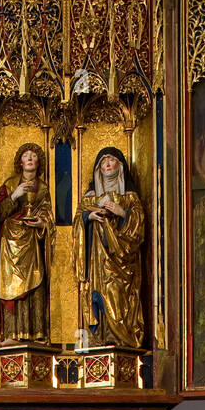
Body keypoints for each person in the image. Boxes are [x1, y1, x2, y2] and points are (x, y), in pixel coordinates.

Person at [0, 143, 54, 344]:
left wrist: (41, 223)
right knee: (11, 287)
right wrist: (14, 195)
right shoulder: (9, 184)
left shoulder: (43, 188)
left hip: (32, 241)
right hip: (9, 242)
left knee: (35, 283)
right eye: (26, 155)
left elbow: (49, 216)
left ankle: (37, 333)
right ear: (20, 162)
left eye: (34, 155)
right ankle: (10, 334)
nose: (31, 158)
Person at [80, 148, 145, 348]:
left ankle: (122, 338)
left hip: (122, 261)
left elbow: (139, 223)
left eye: (112, 161)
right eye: (104, 162)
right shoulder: (90, 198)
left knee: (118, 295)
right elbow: (77, 223)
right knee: (100, 294)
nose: (107, 164)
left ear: (120, 166)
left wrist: (122, 212)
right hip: (98, 260)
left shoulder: (129, 196)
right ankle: (102, 336)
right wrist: (88, 217)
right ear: (98, 168)